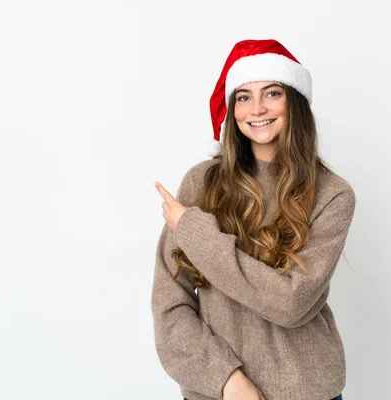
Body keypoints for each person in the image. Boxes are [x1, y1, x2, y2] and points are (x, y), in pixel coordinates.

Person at [152, 39, 355, 400]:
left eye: (272, 93)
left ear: (294, 100)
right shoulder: (200, 183)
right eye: (243, 96)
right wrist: (226, 380)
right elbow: (170, 306)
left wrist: (195, 232)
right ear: (231, 109)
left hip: (306, 392)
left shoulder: (333, 194)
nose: (257, 108)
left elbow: (290, 304)